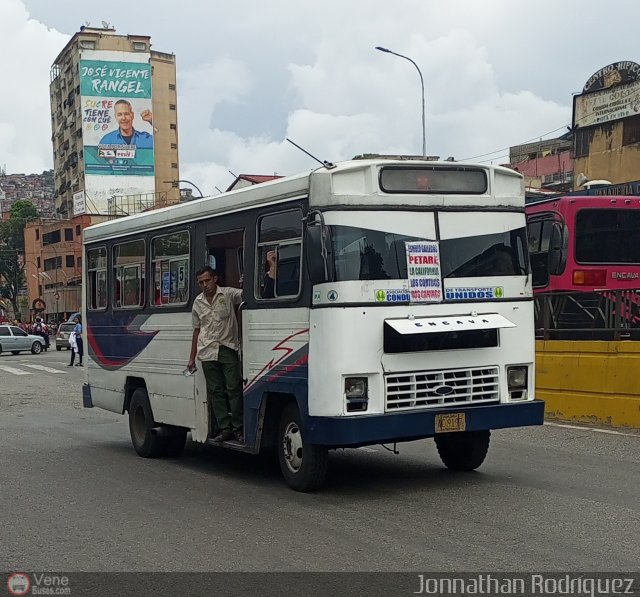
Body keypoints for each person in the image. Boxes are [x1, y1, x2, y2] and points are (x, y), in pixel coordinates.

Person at [187, 266, 243, 443]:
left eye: (207, 280)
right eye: (201, 282)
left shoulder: (227, 294)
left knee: (233, 388)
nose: (205, 285)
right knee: (216, 391)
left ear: (215, 279)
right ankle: (225, 428)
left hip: (227, 347)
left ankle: (238, 428)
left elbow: (246, 295)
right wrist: (191, 358)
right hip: (207, 351)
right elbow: (197, 330)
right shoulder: (198, 302)